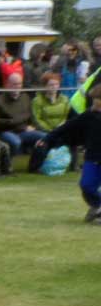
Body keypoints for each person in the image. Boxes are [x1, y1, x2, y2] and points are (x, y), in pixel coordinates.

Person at [38, 83, 101, 222]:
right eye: (95, 102)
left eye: (99, 103)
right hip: (92, 157)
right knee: (86, 186)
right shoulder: (88, 116)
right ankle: (96, 207)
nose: (96, 106)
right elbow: (67, 127)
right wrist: (47, 138)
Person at [0, 73, 46, 171]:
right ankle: (6, 166)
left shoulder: (25, 97)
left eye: (19, 84)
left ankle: (34, 167)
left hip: (24, 131)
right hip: (6, 131)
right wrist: (13, 122)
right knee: (16, 142)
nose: (17, 87)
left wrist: (37, 128)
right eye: (14, 84)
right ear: (7, 85)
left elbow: (31, 117)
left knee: (43, 137)